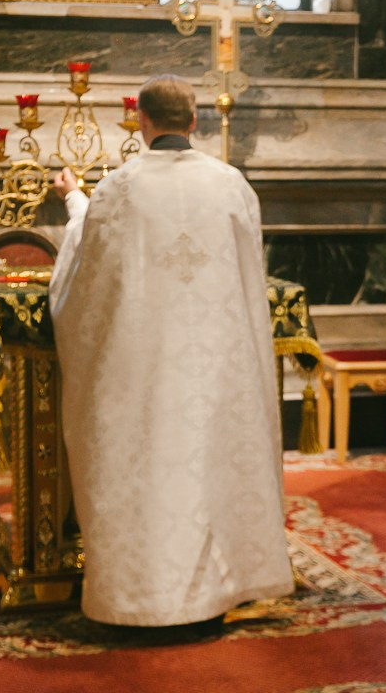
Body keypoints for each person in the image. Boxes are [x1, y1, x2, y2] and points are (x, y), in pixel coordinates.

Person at [49, 73, 295, 626]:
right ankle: (221, 589)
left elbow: (83, 276)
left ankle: (142, 599)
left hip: (146, 375)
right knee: (211, 468)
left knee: (152, 475)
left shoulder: (120, 189)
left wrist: (73, 200)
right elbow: (249, 281)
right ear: (194, 120)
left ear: (141, 120)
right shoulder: (231, 185)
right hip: (218, 371)